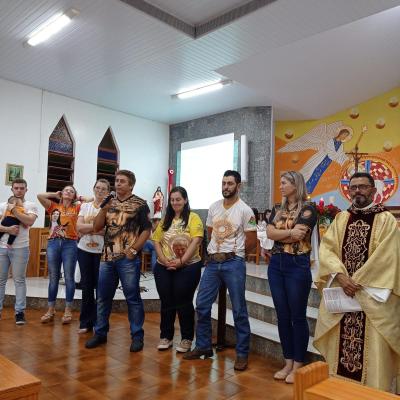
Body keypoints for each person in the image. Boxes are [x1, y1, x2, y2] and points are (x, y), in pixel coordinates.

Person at [314, 172, 400, 392]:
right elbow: (327, 250)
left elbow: (388, 257)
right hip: (345, 296)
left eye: (363, 187)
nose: (358, 191)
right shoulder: (342, 218)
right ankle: (341, 393)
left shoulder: (386, 220)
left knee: (374, 354)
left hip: (372, 299)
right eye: (353, 187)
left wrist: (356, 282)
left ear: (373, 190)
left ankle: (373, 394)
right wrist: (341, 278)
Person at [184, 170, 257, 371]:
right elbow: (210, 233)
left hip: (233, 263)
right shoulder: (214, 207)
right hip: (212, 264)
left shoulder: (246, 210)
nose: (226, 187)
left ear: (238, 186)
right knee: (202, 304)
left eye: (230, 183)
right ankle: (204, 346)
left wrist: (235, 255)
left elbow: (251, 241)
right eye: (223, 183)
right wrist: (214, 255)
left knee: (239, 309)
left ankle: (242, 354)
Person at [85, 170, 151, 352]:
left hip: (128, 260)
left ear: (131, 185)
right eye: (117, 181)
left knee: (133, 298)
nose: (118, 184)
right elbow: (97, 227)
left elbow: (146, 230)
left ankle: (137, 336)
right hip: (107, 258)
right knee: (103, 298)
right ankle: (100, 333)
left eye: (122, 181)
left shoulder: (140, 204)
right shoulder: (109, 202)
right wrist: (104, 209)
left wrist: (133, 249)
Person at [266, 171, 317, 383]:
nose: (281, 186)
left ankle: (298, 364)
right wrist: (287, 234)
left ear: (296, 185)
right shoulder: (278, 209)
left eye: (284, 182)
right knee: (283, 315)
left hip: (297, 265)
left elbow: (300, 234)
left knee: (297, 315)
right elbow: (269, 233)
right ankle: (287, 362)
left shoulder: (308, 208)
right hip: (276, 264)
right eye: (280, 182)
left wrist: (278, 234)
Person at [152, 186, 203, 353]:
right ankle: (166, 336)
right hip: (164, 266)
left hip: (188, 266)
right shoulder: (166, 218)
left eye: (178, 199)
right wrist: (164, 260)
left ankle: (187, 338)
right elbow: (156, 241)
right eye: (172, 200)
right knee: (166, 301)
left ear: (185, 200)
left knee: (183, 301)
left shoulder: (193, 218)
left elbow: (196, 241)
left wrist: (181, 261)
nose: (175, 202)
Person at [37, 186, 84, 324]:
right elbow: (40, 195)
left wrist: (79, 198)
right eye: (66, 190)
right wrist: (54, 194)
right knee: (53, 278)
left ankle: (68, 309)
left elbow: (91, 199)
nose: (68, 192)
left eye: (71, 191)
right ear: (61, 193)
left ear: (74, 194)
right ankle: (50, 309)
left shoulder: (77, 208)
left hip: (70, 243)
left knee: (69, 277)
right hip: (53, 243)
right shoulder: (53, 206)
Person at [0, 179, 38, 324]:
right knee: (0, 281)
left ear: (26, 190)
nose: (19, 190)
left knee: (19, 280)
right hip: (2, 247)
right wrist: (7, 229)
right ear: (12, 189)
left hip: (21, 248)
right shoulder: (3, 205)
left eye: (22, 188)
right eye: (16, 188)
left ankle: (19, 313)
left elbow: (29, 222)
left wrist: (14, 209)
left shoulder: (30, 205)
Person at [76, 179, 110, 334]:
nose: (100, 191)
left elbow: (107, 231)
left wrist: (88, 228)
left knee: (101, 288)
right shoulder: (85, 206)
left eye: (103, 189)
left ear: (108, 192)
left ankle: (99, 322)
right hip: (84, 250)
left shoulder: (110, 209)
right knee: (87, 287)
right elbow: (79, 227)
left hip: (102, 252)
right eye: (98, 188)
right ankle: (85, 321)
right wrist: (96, 227)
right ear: (93, 189)